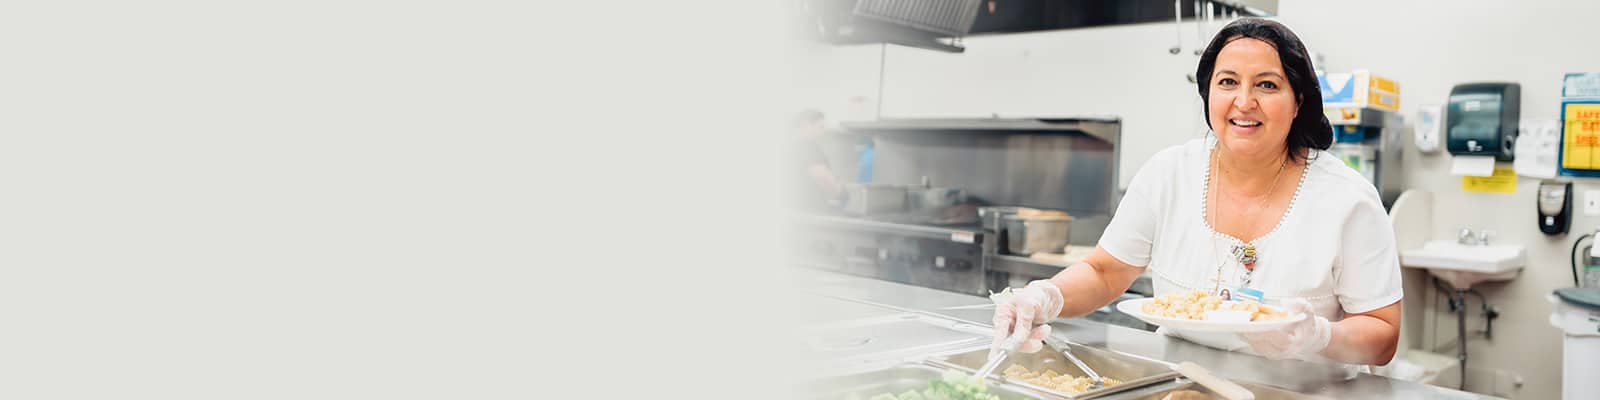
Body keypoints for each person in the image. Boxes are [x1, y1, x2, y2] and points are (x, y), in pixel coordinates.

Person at [991, 18, 1402, 370]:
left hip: (1304, 391)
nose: (1244, 102)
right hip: (1179, 384)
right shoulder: (1169, 174)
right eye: (1228, 82)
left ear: (1298, 101)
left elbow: (1383, 334)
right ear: (1208, 95)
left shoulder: (1347, 200)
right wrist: (1047, 296)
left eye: (1267, 85)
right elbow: (1105, 272)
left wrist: (1318, 336)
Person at [790, 110, 845, 211]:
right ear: (806, 125)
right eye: (821, 127)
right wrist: (842, 194)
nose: (823, 132)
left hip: (794, 211)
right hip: (809, 211)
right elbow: (822, 176)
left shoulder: (788, 144)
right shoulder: (807, 146)